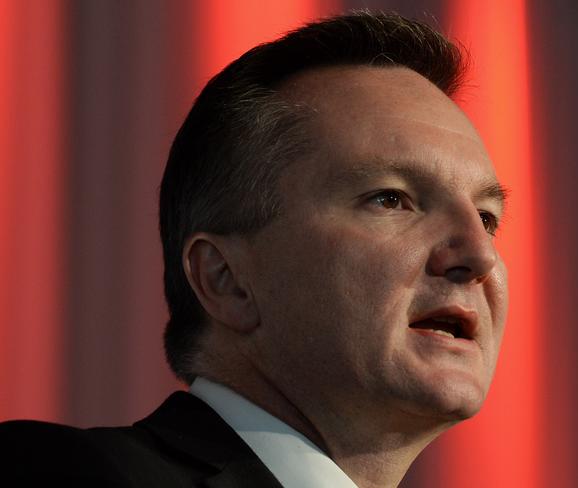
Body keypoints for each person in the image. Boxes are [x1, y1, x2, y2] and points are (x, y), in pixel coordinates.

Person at [0, 11, 509, 488]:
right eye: (392, 199)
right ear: (227, 279)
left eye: (487, 219)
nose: (478, 256)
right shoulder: (59, 473)